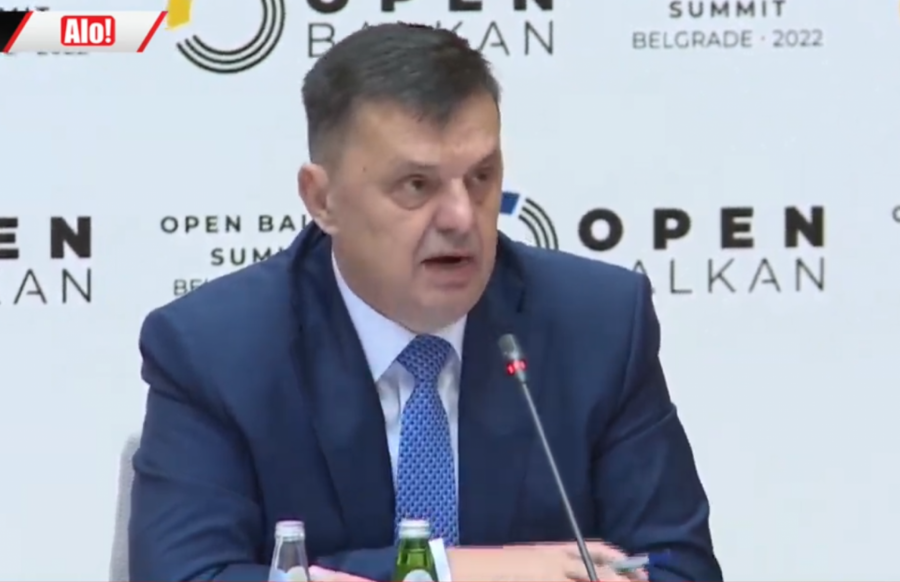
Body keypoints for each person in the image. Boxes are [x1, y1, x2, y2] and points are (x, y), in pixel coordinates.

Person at [129, 22, 722, 582]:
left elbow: (677, 566)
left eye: (481, 177)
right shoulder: (216, 351)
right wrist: (446, 570)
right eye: (417, 185)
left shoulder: (597, 324)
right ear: (322, 199)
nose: (461, 217)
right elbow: (189, 575)